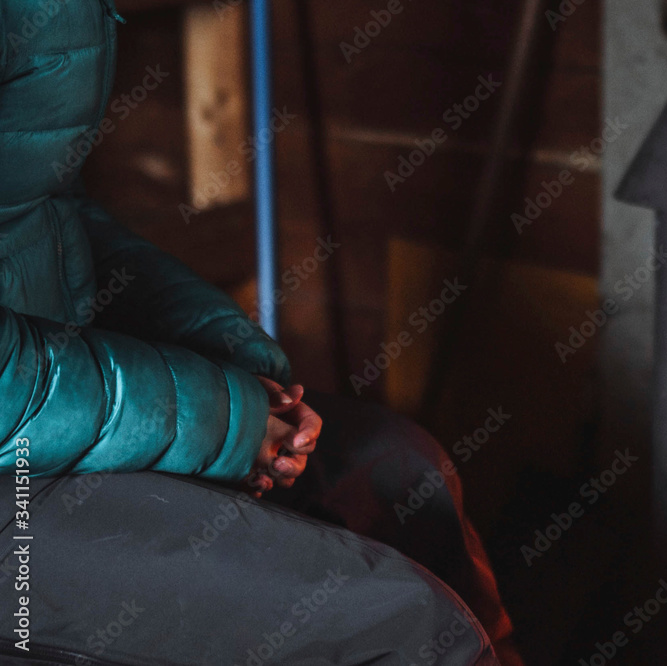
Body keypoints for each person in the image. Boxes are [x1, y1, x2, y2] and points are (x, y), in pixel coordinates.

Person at [0, 0, 520, 663]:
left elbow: (42, 211)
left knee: (402, 472)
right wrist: (226, 422)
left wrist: (229, 354)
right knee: (406, 624)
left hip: (53, 412)